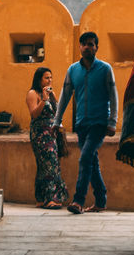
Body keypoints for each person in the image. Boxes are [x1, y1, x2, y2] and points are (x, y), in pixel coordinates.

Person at [53, 31, 118, 215]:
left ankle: (78, 200)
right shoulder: (73, 70)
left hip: (99, 122)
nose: (87, 47)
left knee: (85, 157)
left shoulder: (105, 69)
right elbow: (65, 96)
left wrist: (112, 121)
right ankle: (101, 200)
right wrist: (57, 120)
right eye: (84, 44)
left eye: (91, 44)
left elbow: (113, 96)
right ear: (80, 47)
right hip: (81, 123)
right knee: (91, 161)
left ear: (96, 47)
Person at [26, 66, 68, 209]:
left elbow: (58, 113)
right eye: (46, 77)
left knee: (51, 164)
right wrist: (43, 100)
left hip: (52, 134)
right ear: (39, 79)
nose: (50, 80)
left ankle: (41, 199)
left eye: (51, 77)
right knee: (48, 164)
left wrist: (54, 99)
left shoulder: (51, 93)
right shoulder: (33, 93)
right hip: (39, 134)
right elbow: (34, 114)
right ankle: (49, 199)